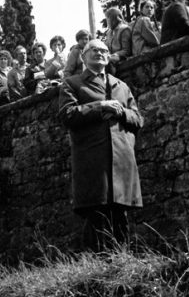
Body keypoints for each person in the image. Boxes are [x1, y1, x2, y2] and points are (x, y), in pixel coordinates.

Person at [59, 39, 143, 251]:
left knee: (121, 215)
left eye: (104, 50)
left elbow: (138, 119)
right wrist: (100, 106)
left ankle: (123, 263)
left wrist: (121, 112)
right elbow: (67, 114)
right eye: (94, 50)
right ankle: (96, 271)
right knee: (96, 215)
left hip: (121, 158)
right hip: (92, 159)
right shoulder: (73, 83)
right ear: (83, 56)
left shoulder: (121, 86)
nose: (100, 53)